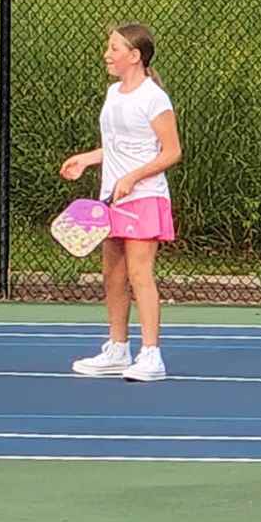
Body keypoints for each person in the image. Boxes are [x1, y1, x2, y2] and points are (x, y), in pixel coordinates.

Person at [62, 22, 181, 382]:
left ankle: (151, 355)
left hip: (144, 196)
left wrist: (132, 177)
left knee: (139, 274)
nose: (107, 55)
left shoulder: (154, 98)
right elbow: (117, 147)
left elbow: (171, 152)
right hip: (112, 198)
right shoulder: (114, 93)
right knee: (113, 274)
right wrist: (87, 159)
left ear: (135, 55)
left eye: (114, 49)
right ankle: (117, 349)